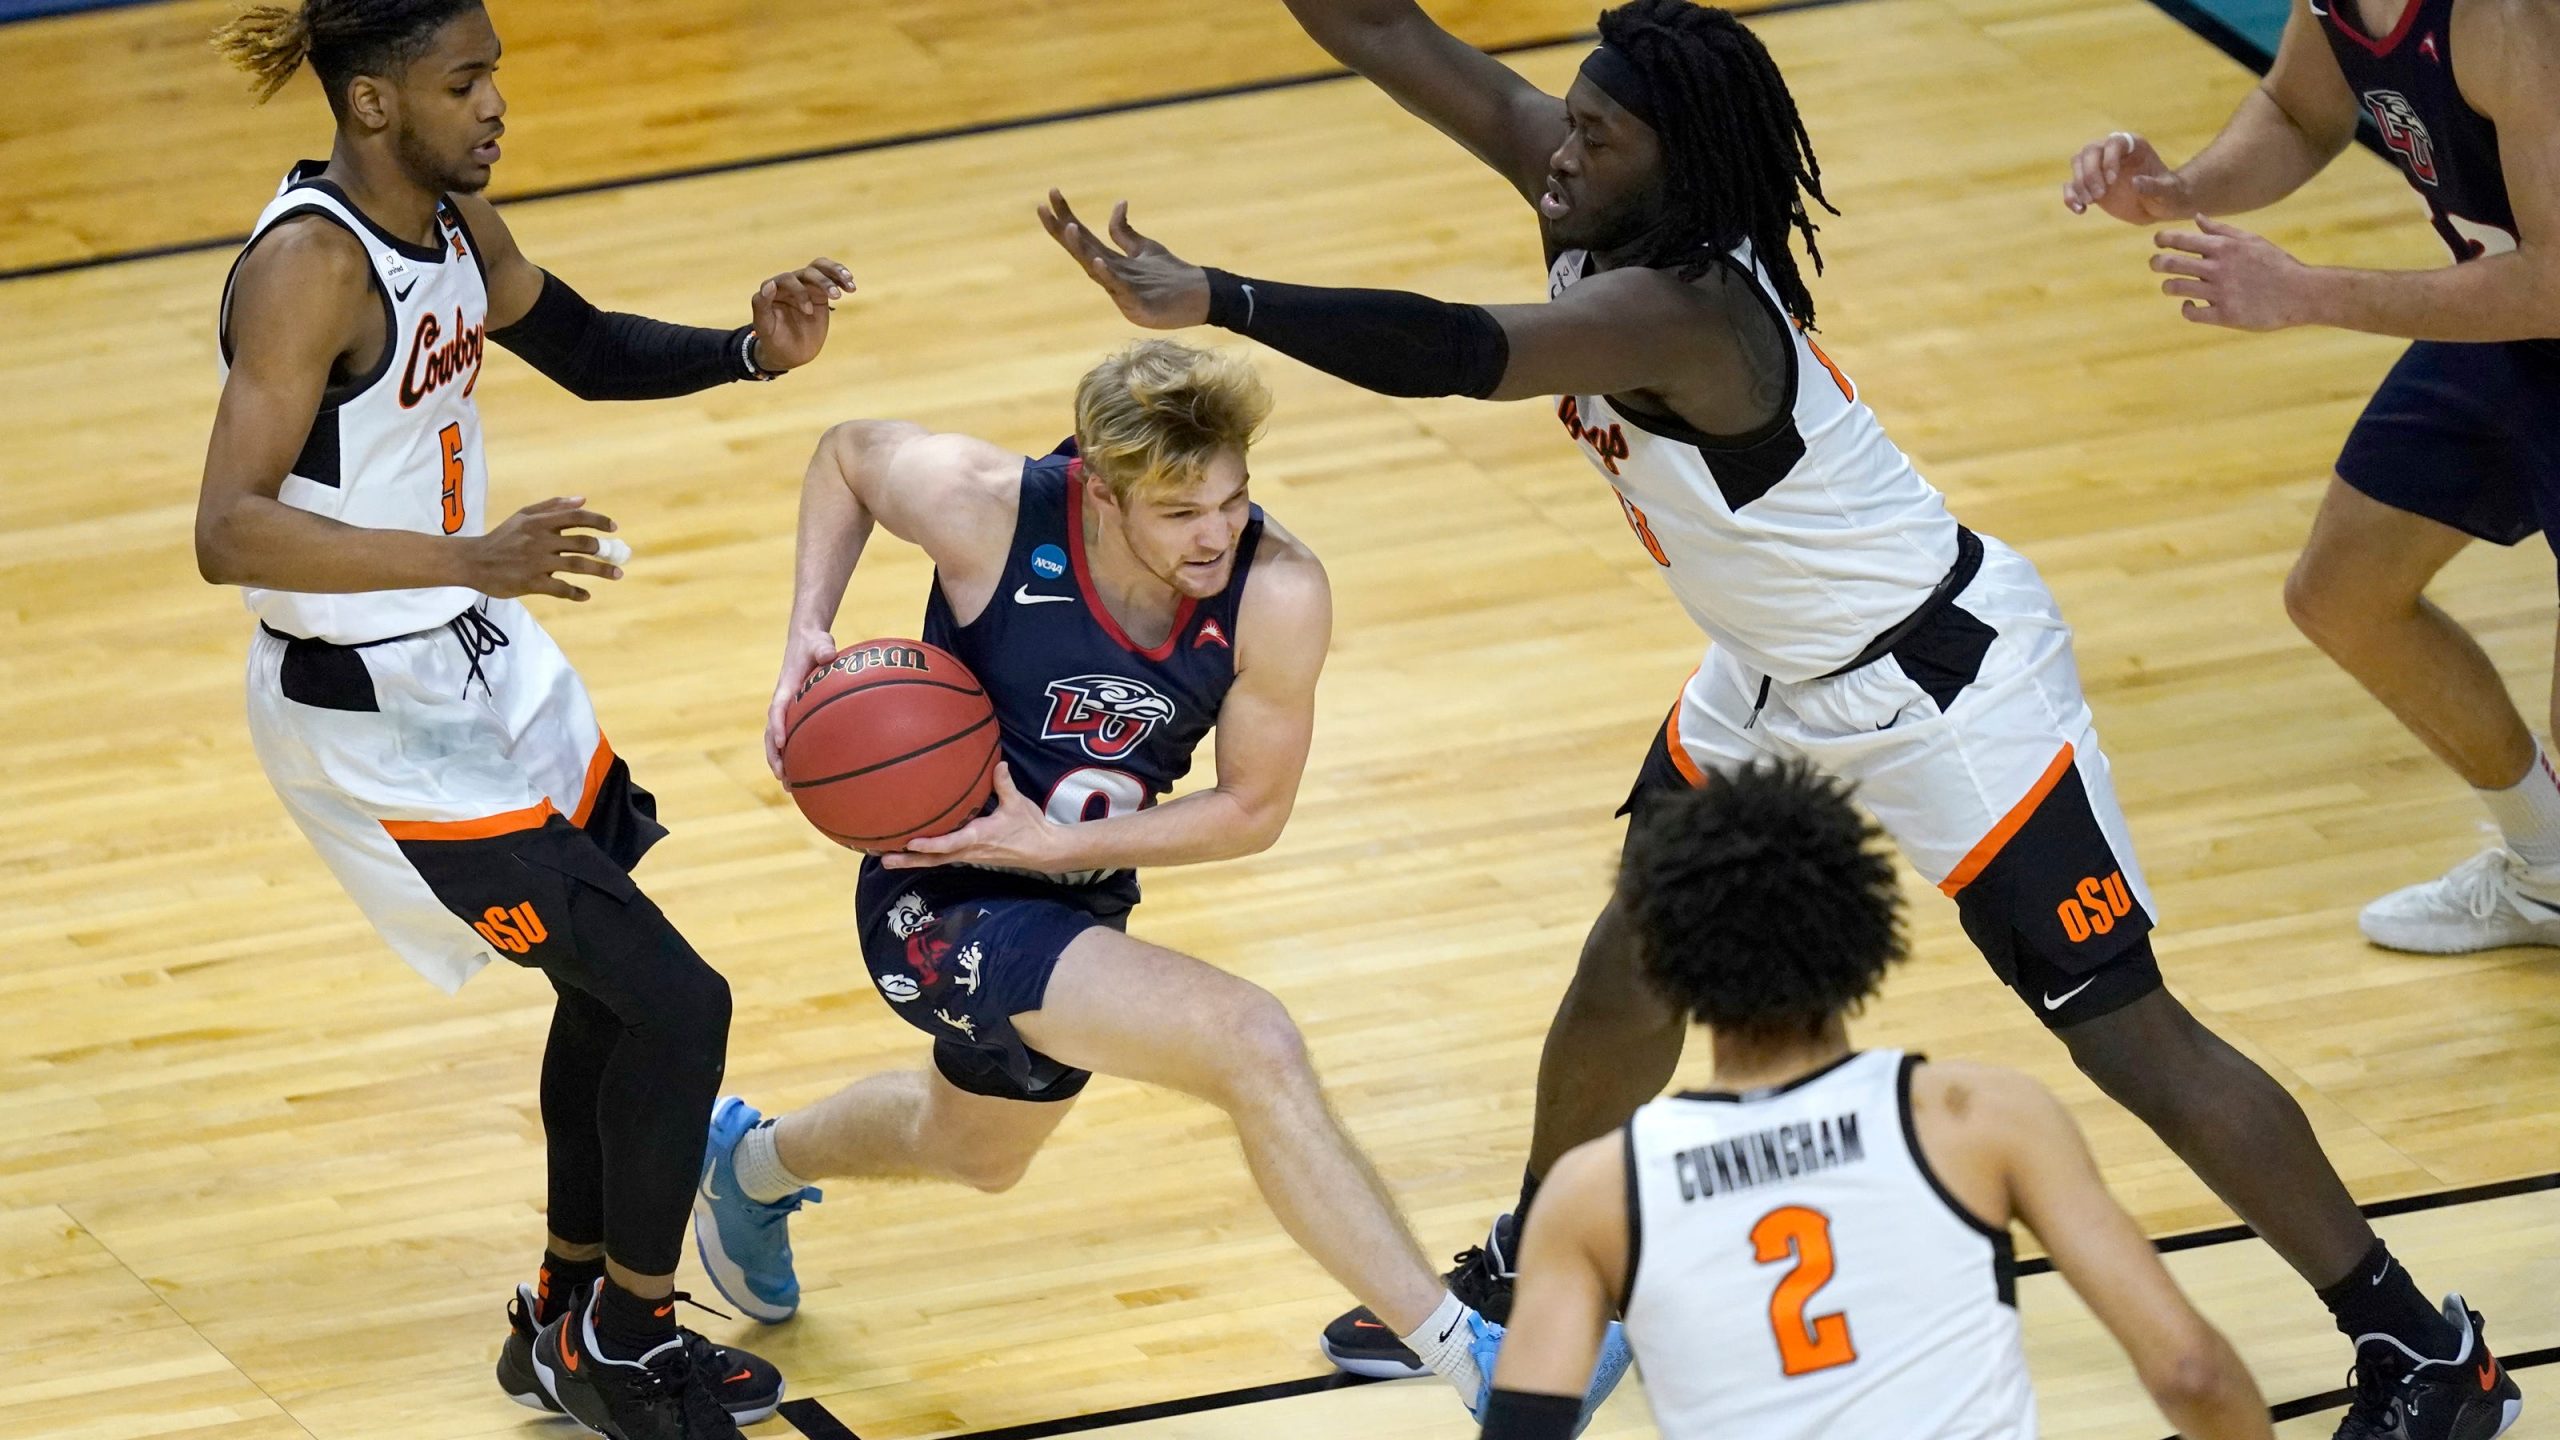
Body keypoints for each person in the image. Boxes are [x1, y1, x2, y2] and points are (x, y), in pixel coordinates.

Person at [1037, 2, 2517, 1435]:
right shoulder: (1600, 190)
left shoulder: (1687, 311)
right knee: (1627, 978)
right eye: (1576, 114)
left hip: (1939, 686)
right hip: (1770, 675)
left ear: (1670, 163)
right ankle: (1546, 1274)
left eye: (1599, 133)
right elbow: (1388, 34)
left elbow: (1457, 351)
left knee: (2123, 1033)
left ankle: (2417, 1343)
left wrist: (1220, 299)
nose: (1562, 146)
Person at [690, 338, 1627, 1423]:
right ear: (1099, 485)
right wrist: (809, 625)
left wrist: (1055, 851)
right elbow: (847, 456)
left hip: (1074, 887)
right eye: (1182, 510)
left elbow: (1252, 811)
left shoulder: (1277, 591)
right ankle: (1483, 1370)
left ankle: (750, 1163)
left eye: (1232, 499)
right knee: (1251, 1040)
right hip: (935, 890)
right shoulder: (988, 506)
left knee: (974, 1149)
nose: (1217, 532)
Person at [198, 3, 851, 1436]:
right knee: (681, 1003)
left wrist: (751, 353)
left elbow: (586, 344)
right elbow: (229, 530)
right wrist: (465, 556)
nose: (496, 105)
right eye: (465, 81)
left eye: (495, 73)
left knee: (618, 991)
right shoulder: (309, 268)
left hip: (471, 650)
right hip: (366, 702)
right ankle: (626, 1336)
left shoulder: (456, 219)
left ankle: (570, 1312)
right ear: (373, 104)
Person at [1480, 760, 2275, 1440]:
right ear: (1869, 934)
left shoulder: (1595, 1193)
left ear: (1659, 959)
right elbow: (2190, 1372)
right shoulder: (1980, 1120)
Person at [2063, 0, 2560, 956]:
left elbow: (2554, 279)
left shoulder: (2509, 17)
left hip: (2539, 297)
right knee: (2342, 591)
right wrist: (2174, 188)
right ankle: (2549, 872)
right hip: (2511, 329)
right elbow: (2300, 113)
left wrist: (2304, 291)